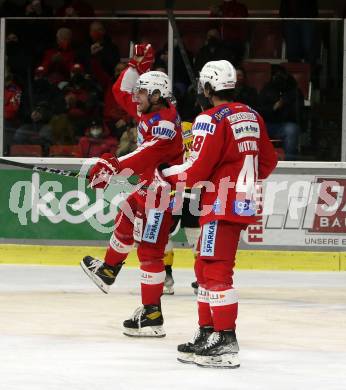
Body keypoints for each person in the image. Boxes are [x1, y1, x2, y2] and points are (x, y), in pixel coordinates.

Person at [161, 60, 278, 368]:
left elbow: (196, 170)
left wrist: (165, 173)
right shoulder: (252, 115)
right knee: (204, 267)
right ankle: (207, 332)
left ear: (208, 88)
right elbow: (268, 162)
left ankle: (225, 339)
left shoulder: (208, 118)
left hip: (219, 204)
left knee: (214, 271)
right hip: (239, 203)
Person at [80, 44, 184, 338]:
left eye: (141, 93)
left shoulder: (165, 124)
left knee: (150, 253)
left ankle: (152, 316)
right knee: (125, 213)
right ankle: (108, 271)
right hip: (149, 190)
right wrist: (135, 67)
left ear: (155, 96)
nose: (134, 98)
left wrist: (109, 166)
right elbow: (118, 91)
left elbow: (147, 154)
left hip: (161, 196)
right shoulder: (150, 111)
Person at [257, 65, 304, 160]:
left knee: (292, 129)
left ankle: (290, 162)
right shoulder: (267, 90)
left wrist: (285, 101)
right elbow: (260, 110)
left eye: (281, 75)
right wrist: (274, 108)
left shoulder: (294, 91)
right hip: (267, 124)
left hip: (285, 125)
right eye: (275, 75)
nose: (278, 78)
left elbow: (298, 114)